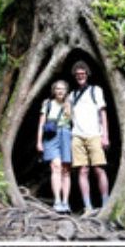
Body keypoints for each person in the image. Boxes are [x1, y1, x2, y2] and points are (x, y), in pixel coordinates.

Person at [69, 61, 110, 215]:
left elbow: (103, 113)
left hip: (94, 134)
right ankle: (88, 207)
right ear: (75, 76)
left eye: (83, 74)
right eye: (78, 74)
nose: (81, 76)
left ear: (87, 74)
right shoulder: (72, 95)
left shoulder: (95, 90)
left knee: (99, 169)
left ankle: (106, 204)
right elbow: (66, 114)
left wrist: (104, 135)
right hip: (77, 136)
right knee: (83, 171)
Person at [36, 80, 74, 213]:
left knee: (66, 170)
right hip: (51, 136)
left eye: (63, 89)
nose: (60, 91)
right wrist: (39, 142)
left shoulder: (71, 104)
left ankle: (65, 202)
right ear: (54, 91)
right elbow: (41, 124)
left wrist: (69, 108)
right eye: (57, 88)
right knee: (56, 166)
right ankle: (57, 201)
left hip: (66, 135)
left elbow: (77, 121)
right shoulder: (47, 104)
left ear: (66, 91)